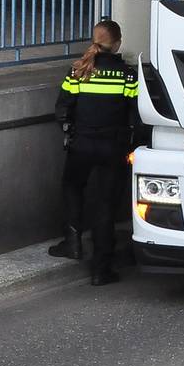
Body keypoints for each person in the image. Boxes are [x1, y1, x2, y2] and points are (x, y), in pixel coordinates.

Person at [47, 19, 139, 285]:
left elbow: (63, 108)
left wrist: (71, 130)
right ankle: (101, 269)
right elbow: (134, 114)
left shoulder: (78, 70)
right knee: (106, 204)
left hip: (81, 145)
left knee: (73, 187)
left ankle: (72, 243)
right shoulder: (128, 75)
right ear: (118, 43)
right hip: (113, 146)